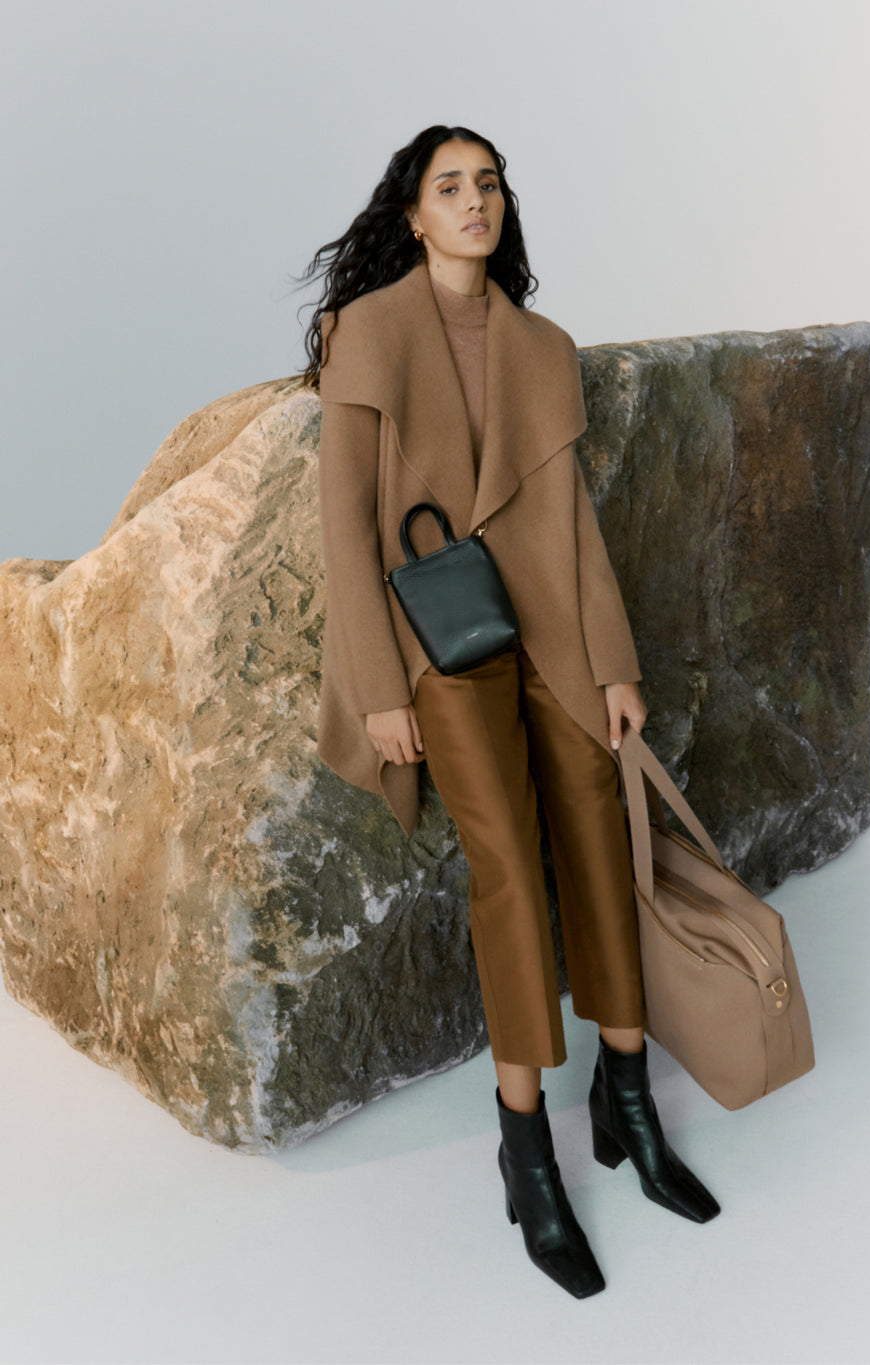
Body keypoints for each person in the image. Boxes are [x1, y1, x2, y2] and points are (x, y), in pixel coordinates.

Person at [298, 124, 719, 1299]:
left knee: (598, 829)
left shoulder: (542, 344)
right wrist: (379, 687)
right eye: (451, 186)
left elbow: (570, 522)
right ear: (414, 214)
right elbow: (343, 527)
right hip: (438, 638)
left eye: (488, 184)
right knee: (509, 871)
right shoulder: (368, 332)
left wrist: (615, 663)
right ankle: (523, 1141)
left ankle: (625, 1098)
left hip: (549, 624)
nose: (475, 201)